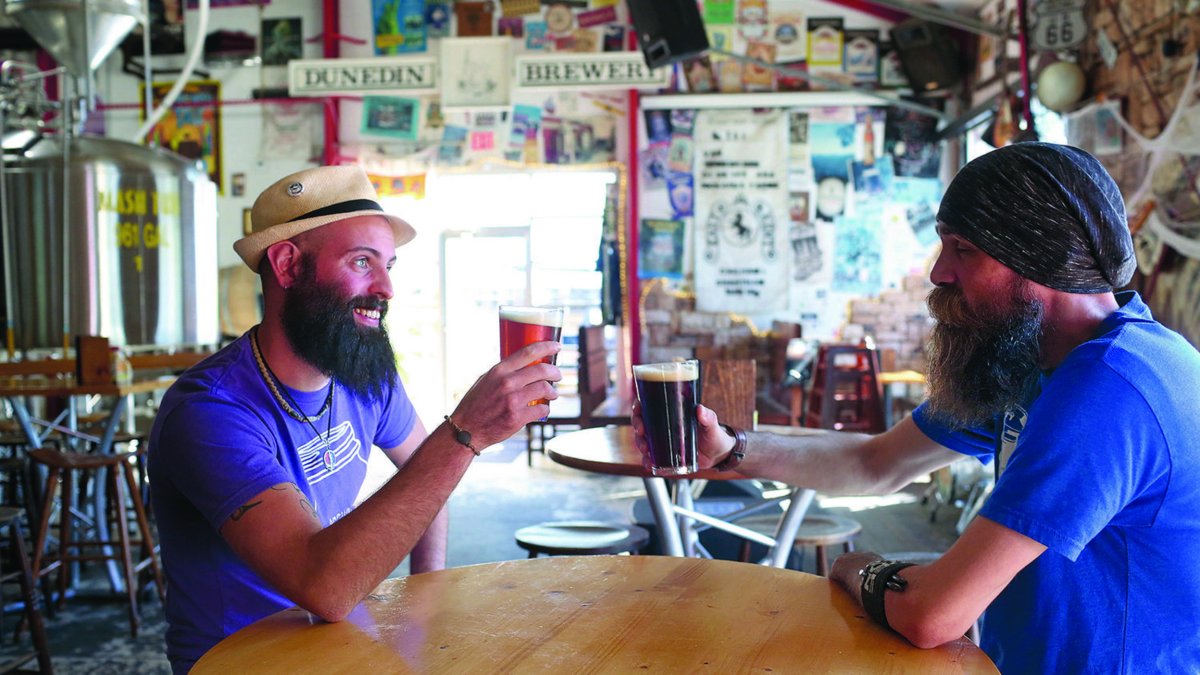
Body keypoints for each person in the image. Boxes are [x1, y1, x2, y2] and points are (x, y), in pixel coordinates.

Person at [633, 143, 1200, 671]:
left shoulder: (1108, 390)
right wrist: (733, 451)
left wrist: (856, 567)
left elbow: (933, 613)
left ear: (1041, 258)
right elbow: (879, 463)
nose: (938, 273)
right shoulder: (1038, 360)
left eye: (964, 250)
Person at [148, 165, 561, 673]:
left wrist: (423, 608)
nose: (386, 288)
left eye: (389, 265)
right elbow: (325, 587)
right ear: (287, 265)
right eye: (362, 262)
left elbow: (424, 486)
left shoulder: (361, 374)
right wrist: (463, 434)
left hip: (336, 644)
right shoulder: (210, 411)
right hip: (238, 661)